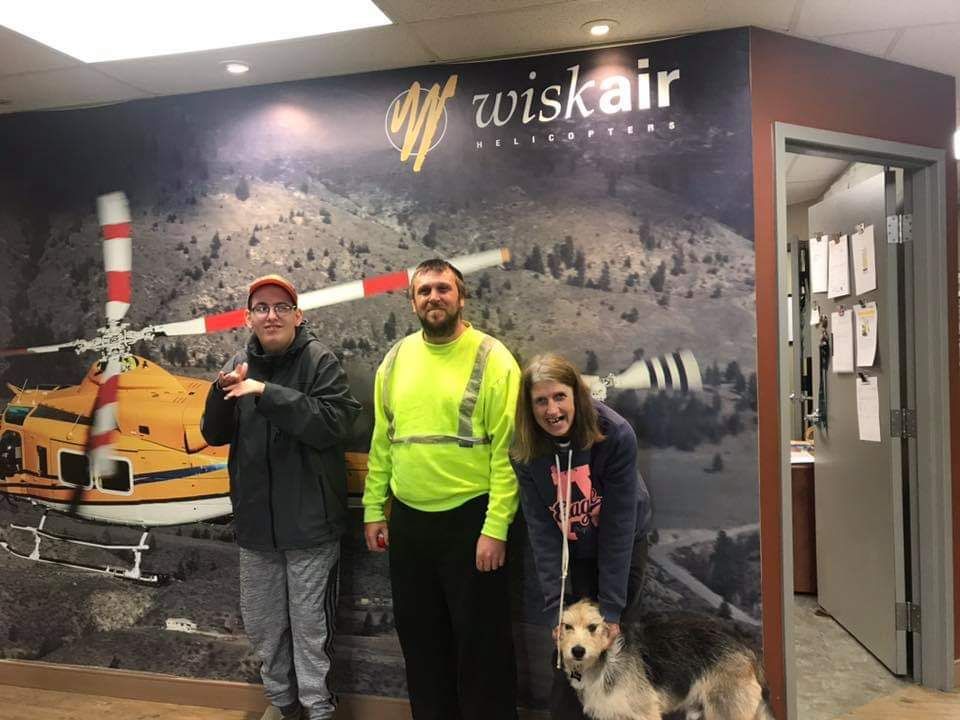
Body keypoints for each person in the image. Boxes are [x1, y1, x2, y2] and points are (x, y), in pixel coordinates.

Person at [362, 258, 521, 720]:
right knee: (421, 645)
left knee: (483, 649)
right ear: (413, 302)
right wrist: (373, 509)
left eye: (443, 289)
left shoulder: (494, 358)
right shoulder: (395, 360)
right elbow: (382, 441)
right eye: (424, 290)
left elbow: (508, 454)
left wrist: (495, 528)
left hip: (471, 523)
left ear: (461, 297)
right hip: (409, 524)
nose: (434, 297)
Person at [201, 274, 361, 720]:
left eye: (281, 307)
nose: (271, 315)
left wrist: (265, 393)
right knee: (264, 626)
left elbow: (334, 423)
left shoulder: (319, 360)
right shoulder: (238, 363)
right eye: (262, 308)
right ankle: (283, 704)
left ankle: (318, 710)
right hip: (257, 529)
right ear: (248, 318)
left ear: (297, 315)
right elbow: (213, 433)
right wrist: (220, 392)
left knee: (312, 631)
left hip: (310, 528)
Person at [511, 352, 652, 720]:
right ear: (529, 407)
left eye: (560, 397)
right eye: (540, 401)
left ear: (577, 395)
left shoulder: (615, 434)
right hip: (572, 549)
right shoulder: (524, 448)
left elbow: (619, 527)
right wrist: (555, 609)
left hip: (622, 544)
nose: (552, 410)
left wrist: (612, 609)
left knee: (617, 645)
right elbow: (542, 533)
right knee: (570, 646)